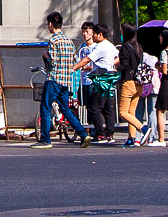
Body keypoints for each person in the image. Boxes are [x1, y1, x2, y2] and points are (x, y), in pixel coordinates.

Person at [32, 11, 85, 149]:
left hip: (54, 78)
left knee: (45, 108)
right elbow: (75, 61)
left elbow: (52, 63)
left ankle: (45, 139)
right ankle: (83, 133)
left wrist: (45, 56)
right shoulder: (69, 41)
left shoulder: (54, 41)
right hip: (66, 80)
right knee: (65, 109)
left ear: (50, 24)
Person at [76, 21, 118, 143]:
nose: (92, 36)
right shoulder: (109, 45)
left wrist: (74, 67)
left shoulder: (100, 46)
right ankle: (109, 134)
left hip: (101, 75)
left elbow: (87, 60)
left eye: (93, 33)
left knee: (94, 108)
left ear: (99, 35)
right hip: (108, 75)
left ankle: (100, 134)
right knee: (107, 107)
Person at [116, 27, 147, 147]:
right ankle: (131, 137)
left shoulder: (125, 47)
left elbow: (124, 65)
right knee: (131, 112)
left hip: (128, 82)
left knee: (123, 112)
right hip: (138, 83)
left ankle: (142, 128)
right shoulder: (138, 47)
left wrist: (115, 70)